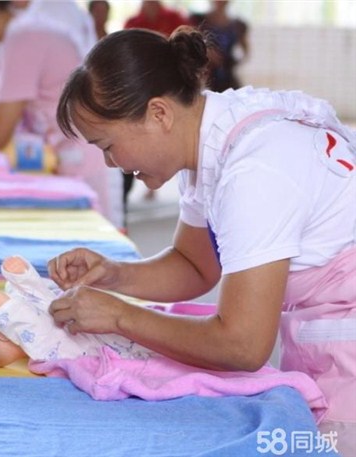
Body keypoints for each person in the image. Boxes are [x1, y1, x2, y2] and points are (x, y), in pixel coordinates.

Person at [48, 27, 356, 456]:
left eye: (109, 145)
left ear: (158, 114)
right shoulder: (212, 137)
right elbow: (195, 266)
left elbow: (243, 344)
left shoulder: (254, 171)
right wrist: (114, 275)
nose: (111, 163)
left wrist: (121, 318)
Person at [0, 0, 122, 228]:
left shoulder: (23, 37)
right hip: (76, 152)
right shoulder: (20, 33)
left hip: (90, 157)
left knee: (98, 243)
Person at [0, 255, 153, 368]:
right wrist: (7, 309)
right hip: (125, 348)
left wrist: (21, 276)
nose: (10, 302)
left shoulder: (32, 322)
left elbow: (39, 296)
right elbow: (31, 324)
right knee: (152, 343)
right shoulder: (43, 348)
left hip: (116, 330)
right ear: (3, 331)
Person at [123, 1, 190, 203]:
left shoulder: (175, 18)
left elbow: (188, 49)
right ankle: (150, 179)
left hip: (173, 84)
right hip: (142, 84)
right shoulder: (134, 21)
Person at [189, 0, 249, 93]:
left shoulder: (238, 25)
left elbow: (245, 51)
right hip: (204, 76)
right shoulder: (197, 19)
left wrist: (233, 61)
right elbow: (189, 44)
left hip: (227, 77)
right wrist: (205, 52)